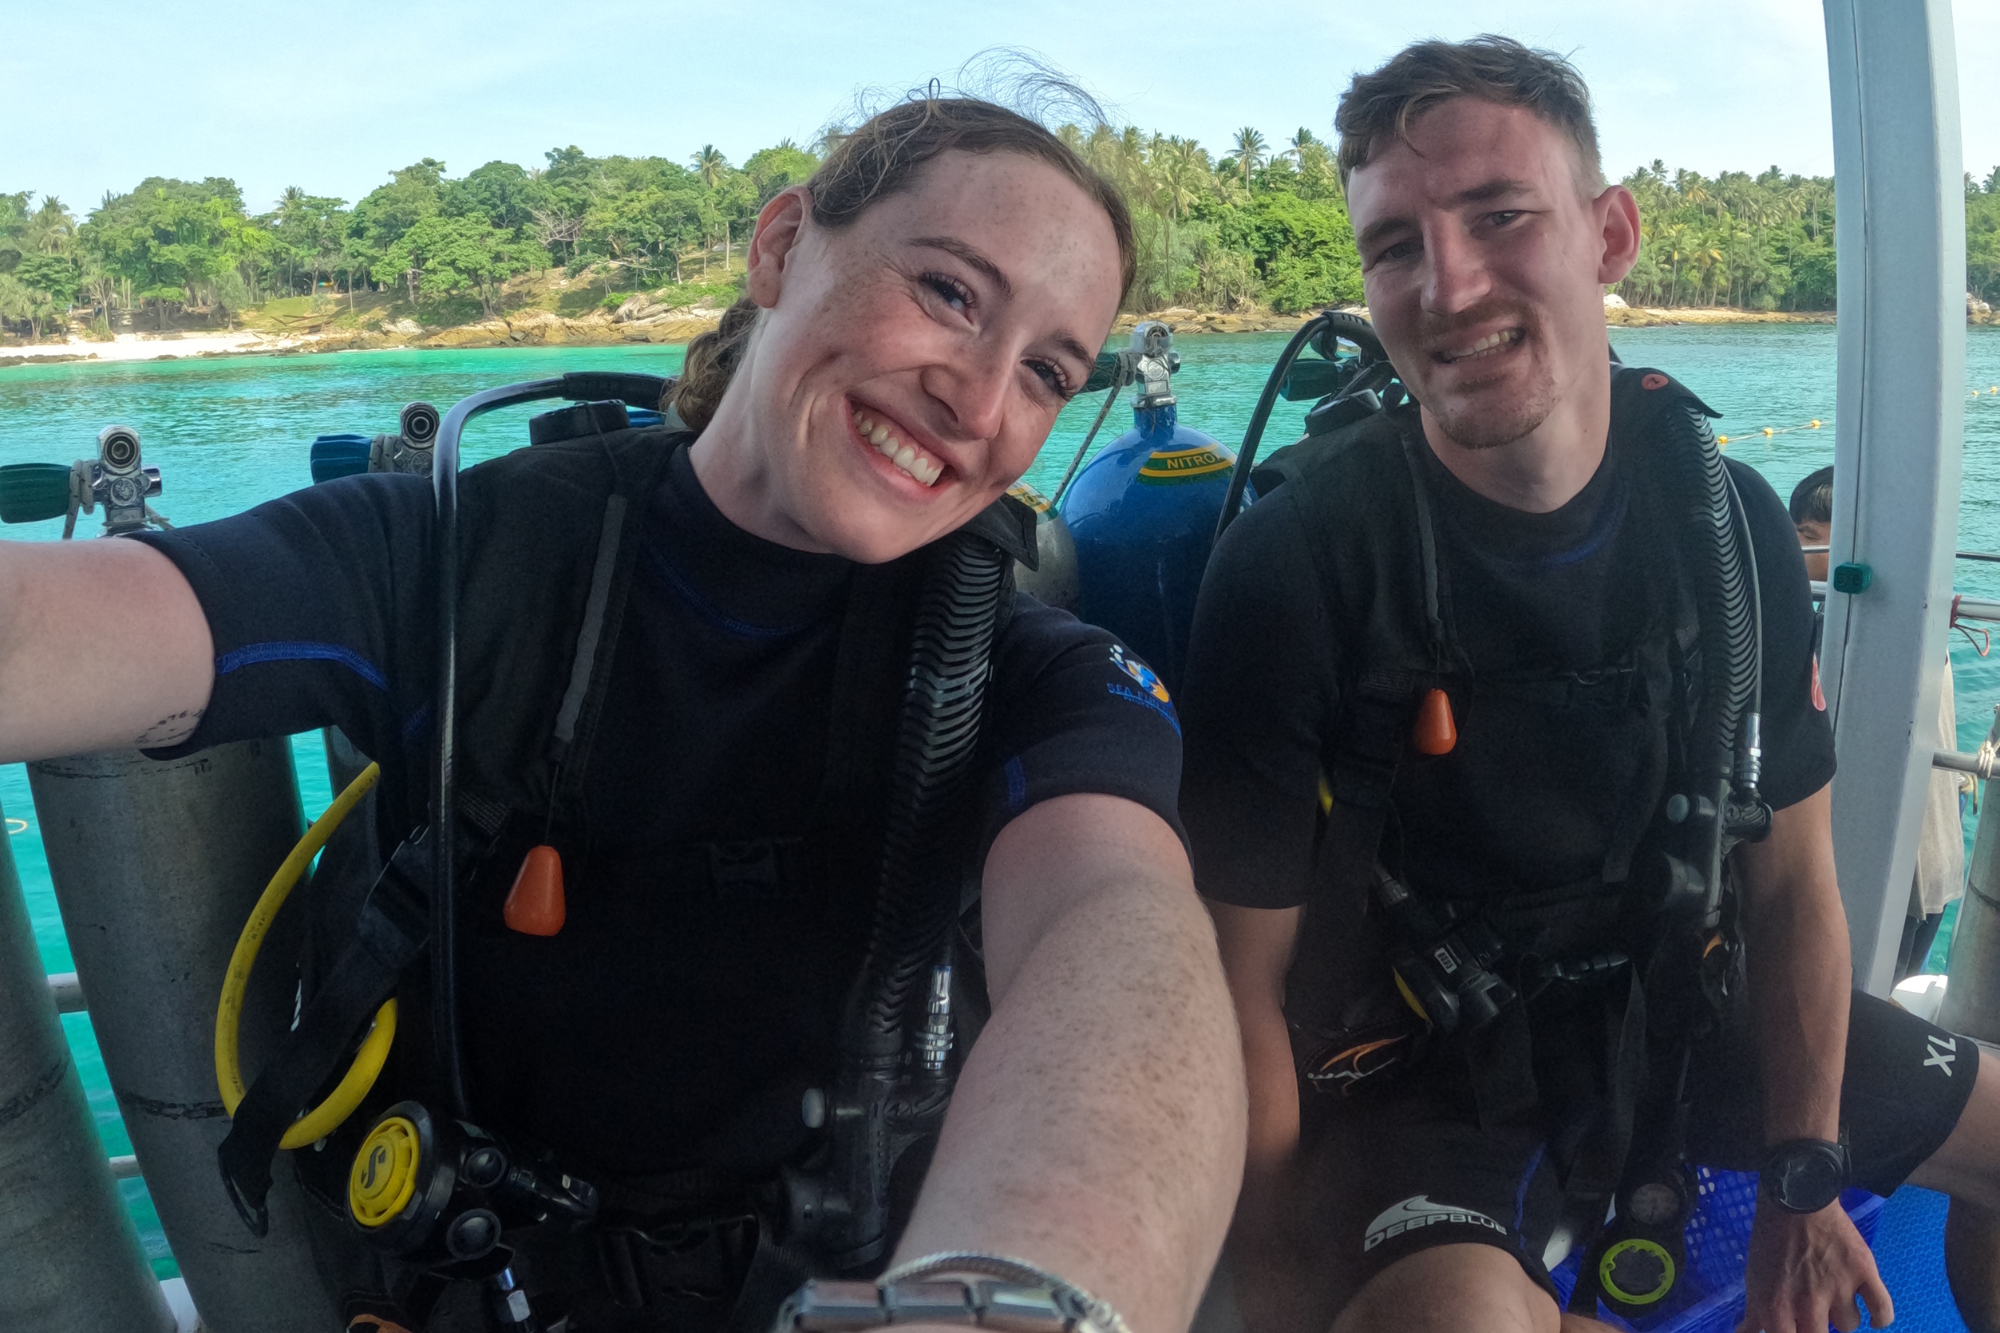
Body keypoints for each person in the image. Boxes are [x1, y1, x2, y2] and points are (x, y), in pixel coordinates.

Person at [0, 97, 1245, 1332]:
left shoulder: (1035, 675)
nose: (976, 405)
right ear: (778, 247)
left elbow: (1120, 934)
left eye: (1043, 372)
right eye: (949, 294)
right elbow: (70, 626)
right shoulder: (466, 559)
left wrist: (1007, 1301)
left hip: (841, 1285)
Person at [1179, 36, 2000, 1333]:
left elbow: (1789, 887)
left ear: (1609, 235)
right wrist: (1279, 1290)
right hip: (1415, 1079)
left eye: (1499, 216)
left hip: (1684, 1009)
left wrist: (1805, 1171)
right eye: (1395, 246)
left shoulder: (1725, 526)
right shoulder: (1297, 566)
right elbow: (1234, 992)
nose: (1446, 285)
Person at [1790, 465, 1968, 983]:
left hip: (1895, 871)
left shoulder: (1849, 635)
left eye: (1806, 538)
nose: (1793, 551)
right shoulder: (1913, 621)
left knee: (1865, 994)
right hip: (1933, 858)